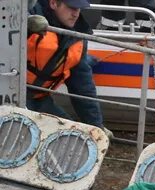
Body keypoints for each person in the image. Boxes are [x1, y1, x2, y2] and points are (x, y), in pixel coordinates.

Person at [25, 0, 104, 128]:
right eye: (72, 8)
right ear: (53, 3)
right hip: (10, 94)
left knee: (70, 132)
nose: (76, 14)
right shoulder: (30, 17)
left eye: (79, 9)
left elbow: (82, 88)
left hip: (38, 100)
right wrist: (26, 26)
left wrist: (96, 127)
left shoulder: (77, 38)